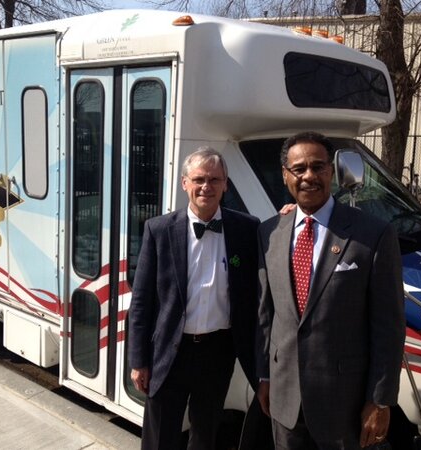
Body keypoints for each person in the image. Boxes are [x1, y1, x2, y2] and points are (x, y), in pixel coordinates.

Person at [255, 132, 405, 449]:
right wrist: (265, 376)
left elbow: (388, 327)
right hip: (284, 400)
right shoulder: (269, 232)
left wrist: (379, 400)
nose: (309, 176)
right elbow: (266, 315)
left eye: (318, 167)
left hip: (344, 407)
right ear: (285, 175)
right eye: (299, 169)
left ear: (332, 172)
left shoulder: (373, 234)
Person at [128, 146, 260, 450]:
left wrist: (289, 213)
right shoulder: (159, 229)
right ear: (184, 183)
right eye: (199, 179)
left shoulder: (246, 228)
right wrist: (138, 361)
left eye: (214, 179)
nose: (206, 187)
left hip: (218, 351)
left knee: (205, 434)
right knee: (160, 436)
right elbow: (141, 302)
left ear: (225, 184)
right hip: (169, 351)